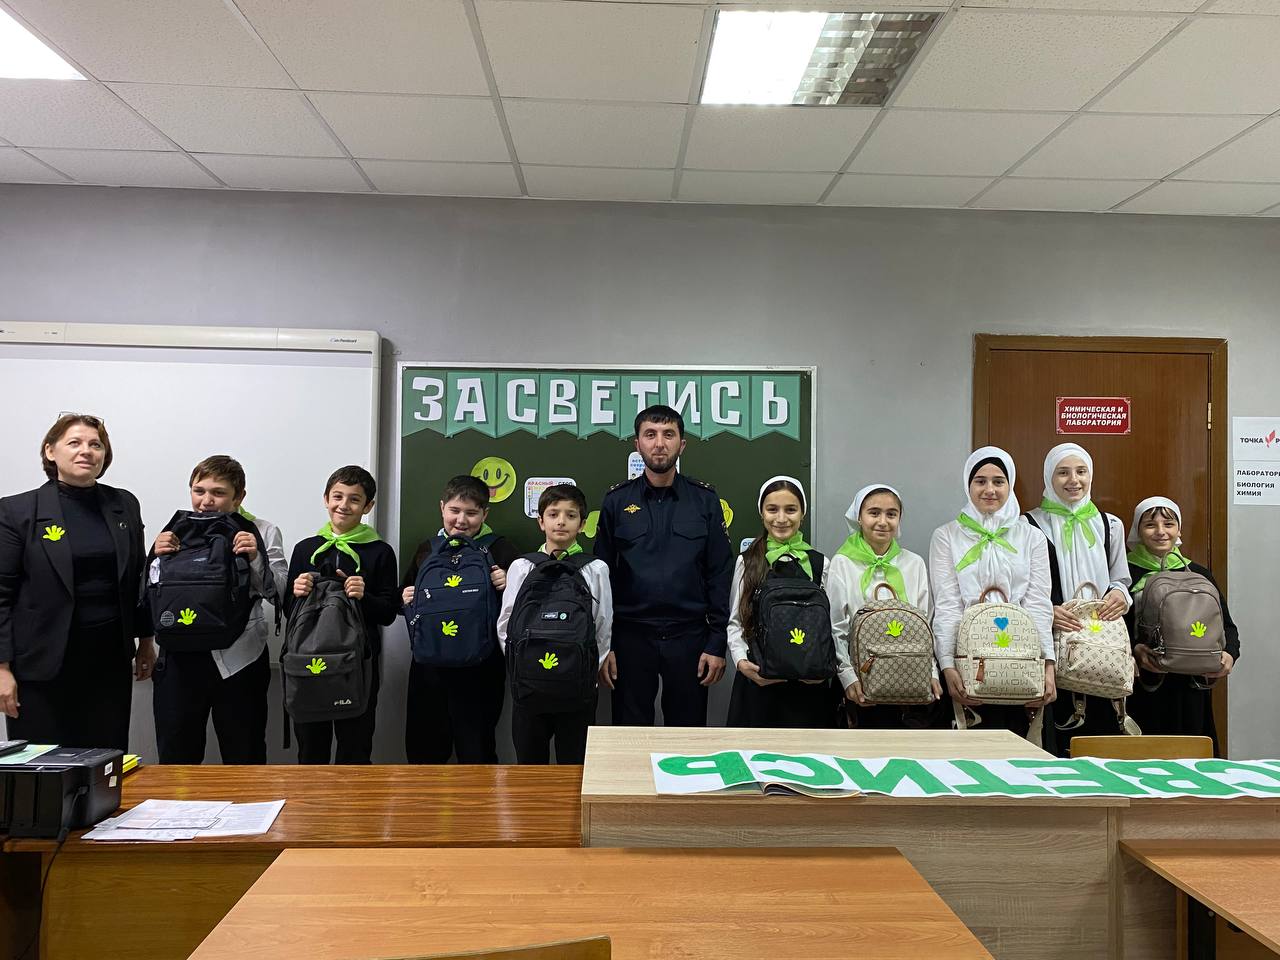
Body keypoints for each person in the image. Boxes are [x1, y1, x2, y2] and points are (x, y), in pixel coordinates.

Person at [0, 414, 154, 752]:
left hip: (108, 665)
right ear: (50, 451)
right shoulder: (17, 510)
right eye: (75, 442)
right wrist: (1, 668)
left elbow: (137, 579)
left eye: (95, 444)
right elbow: (1, 594)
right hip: (41, 668)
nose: (86, 451)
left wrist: (146, 641)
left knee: (105, 764)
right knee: (44, 767)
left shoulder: (124, 504)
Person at [594, 405, 733, 727]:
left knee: (686, 736)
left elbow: (720, 573)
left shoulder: (705, 500)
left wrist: (716, 643)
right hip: (630, 638)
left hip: (690, 637)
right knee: (630, 734)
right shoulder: (616, 501)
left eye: (668, 434)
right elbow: (602, 579)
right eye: (650, 434)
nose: (659, 443)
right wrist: (605, 646)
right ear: (637, 444)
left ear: (681, 444)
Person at [150, 456, 287, 764]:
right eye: (199, 491)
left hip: (240, 658)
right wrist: (155, 560)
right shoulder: (174, 530)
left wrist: (255, 558)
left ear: (239, 497)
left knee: (245, 756)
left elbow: (280, 593)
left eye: (218, 493)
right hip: (179, 659)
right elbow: (151, 597)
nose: (206, 501)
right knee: (176, 759)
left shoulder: (262, 531)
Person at [929, 446, 1056, 741]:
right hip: (968, 661)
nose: (989, 489)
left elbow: (1039, 604)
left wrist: (1047, 665)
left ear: (1010, 485)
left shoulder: (1032, 537)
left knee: (1020, 754)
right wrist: (947, 664)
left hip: (1021, 660)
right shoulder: (946, 536)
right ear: (968, 485)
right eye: (980, 481)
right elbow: (947, 605)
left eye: (998, 481)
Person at [401, 474, 519, 764]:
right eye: (454, 510)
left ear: (485, 514)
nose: (461, 520)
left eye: (471, 513)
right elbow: (400, 600)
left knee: (477, 748)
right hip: (430, 665)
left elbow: (522, 608)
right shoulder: (427, 549)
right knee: (425, 748)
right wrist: (404, 597)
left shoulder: (501, 549)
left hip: (481, 668)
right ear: (442, 507)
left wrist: (510, 585)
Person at [286, 465, 398, 764]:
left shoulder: (380, 552)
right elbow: (288, 611)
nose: (343, 505)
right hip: (308, 661)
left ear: (368, 506)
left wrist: (364, 596)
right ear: (326, 499)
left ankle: (355, 797)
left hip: (357, 664)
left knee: (355, 748)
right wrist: (296, 592)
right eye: (337, 496)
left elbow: (388, 612)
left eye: (354, 499)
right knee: (311, 749)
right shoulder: (305, 549)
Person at [1023, 443, 1131, 751]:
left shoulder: (1109, 525)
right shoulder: (1028, 525)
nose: (1074, 480)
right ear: (1048, 477)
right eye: (1063, 473)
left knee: (1100, 741)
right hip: (1053, 641)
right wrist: (1046, 611)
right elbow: (1022, 586)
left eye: (1081, 471)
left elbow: (1120, 578)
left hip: (1100, 644)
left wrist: (1120, 594)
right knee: (1054, 736)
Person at [496, 483, 612, 763]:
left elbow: (602, 626)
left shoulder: (595, 568)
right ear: (540, 521)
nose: (561, 521)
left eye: (571, 515)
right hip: (528, 684)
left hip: (577, 686)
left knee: (575, 763)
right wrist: (523, 664)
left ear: (582, 524)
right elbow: (506, 623)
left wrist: (584, 669)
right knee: (530, 763)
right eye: (553, 514)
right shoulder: (522, 567)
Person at [1124, 497, 1237, 752]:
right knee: (1144, 762)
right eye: (1150, 525)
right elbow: (1114, 627)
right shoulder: (1124, 574)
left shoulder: (1198, 573)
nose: (1161, 531)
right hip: (1143, 686)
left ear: (1179, 529)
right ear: (1137, 531)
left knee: (1192, 761)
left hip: (1191, 687)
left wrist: (1230, 654)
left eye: (1169, 524)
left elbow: (1227, 626)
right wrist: (1134, 650)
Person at [725, 476, 836, 728]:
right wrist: (742, 662)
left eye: (791, 509)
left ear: (803, 514)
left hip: (810, 685)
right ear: (761, 513)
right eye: (772, 509)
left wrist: (826, 670)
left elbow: (831, 625)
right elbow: (736, 621)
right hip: (759, 681)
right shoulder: (748, 561)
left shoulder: (820, 563)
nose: (781, 518)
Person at [829, 484, 941, 729]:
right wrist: (847, 677)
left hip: (910, 680)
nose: (883, 521)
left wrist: (931, 672)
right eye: (874, 513)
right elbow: (836, 628)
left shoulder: (914, 563)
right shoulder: (842, 563)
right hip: (861, 681)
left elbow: (926, 625)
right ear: (859, 517)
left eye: (891, 514)